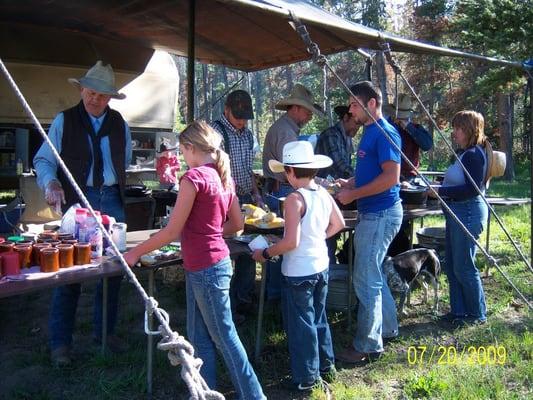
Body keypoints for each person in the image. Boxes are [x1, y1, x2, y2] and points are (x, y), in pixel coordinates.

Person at [123, 121, 265, 399]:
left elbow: (172, 231)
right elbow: (237, 224)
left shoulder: (194, 179)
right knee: (199, 336)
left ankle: (255, 396)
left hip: (206, 268)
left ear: (190, 147)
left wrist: (135, 252)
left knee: (225, 339)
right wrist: (205, 232)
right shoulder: (223, 177)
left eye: (183, 151)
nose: (183, 157)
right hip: (214, 264)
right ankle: (203, 392)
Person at [33, 61, 132, 367]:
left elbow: (124, 161)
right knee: (69, 272)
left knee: (113, 273)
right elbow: (44, 159)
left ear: (110, 98)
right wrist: (51, 182)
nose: (95, 100)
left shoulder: (120, 124)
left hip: (112, 200)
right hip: (79, 201)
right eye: (91, 93)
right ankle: (61, 343)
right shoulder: (65, 121)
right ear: (81, 89)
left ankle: (105, 334)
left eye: (102, 96)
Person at [252, 141, 345, 391]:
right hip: (320, 266)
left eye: (285, 171)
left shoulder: (294, 199)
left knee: (301, 324)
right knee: (319, 318)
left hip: (298, 272)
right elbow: (338, 224)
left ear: (291, 171)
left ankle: (307, 378)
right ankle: (326, 366)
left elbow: (291, 242)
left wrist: (266, 252)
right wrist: (315, 237)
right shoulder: (323, 193)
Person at [335, 81, 403, 363]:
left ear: (372, 103)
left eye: (354, 104)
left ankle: (367, 345)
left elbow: (391, 178)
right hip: (373, 213)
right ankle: (388, 328)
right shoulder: (370, 132)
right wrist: (350, 182)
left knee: (365, 279)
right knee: (372, 276)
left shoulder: (385, 133)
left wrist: (353, 194)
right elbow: (373, 172)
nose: (351, 111)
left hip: (380, 215)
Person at [261, 83, 323, 301]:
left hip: (282, 187)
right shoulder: (286, 132)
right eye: (307, 111)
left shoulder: (286, 129)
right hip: (284, 189)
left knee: (283, 240)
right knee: (283, 242)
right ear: (295, 108)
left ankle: (275, 294)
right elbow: (294, 170)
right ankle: (277, 295)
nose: (309, 117)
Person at [429, 111, 488, 326]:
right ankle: (459, 311)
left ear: (470, 130)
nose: (454, 133)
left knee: (464, 266)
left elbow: (472, 189)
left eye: (458, 128)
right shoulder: (464, 153)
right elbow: (458, 181)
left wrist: (440, 191)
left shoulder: (474, 154)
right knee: (454, 264)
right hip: (458, 211)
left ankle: (477, 314)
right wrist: (440, 184)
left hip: (469, 212)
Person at [212, 90, 263, 324]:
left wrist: (256, 193)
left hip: (244, 197)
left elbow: (247, 168)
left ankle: (243, 298)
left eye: (245, 116)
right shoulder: (216, 134)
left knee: (247, 250)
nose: (242, 120)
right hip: (224, 200)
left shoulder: (248, 134)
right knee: (224, 252)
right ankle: (224, 306)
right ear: (226, 109)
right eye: (237, 115)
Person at [385, 93, 433, 182]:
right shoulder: (385, 126)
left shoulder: (415, 128)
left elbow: (427, 145)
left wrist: (409, 127)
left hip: (410, 177)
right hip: (387, 175)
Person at [315, 105, 360, 180]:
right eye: (356, 123)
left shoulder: (346, 138)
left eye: (360, 125)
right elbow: (339, 165)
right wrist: (358, 178)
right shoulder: (331, 135)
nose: (358, 127)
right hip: (322, 186)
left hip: (333, 185)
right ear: (346, 117)